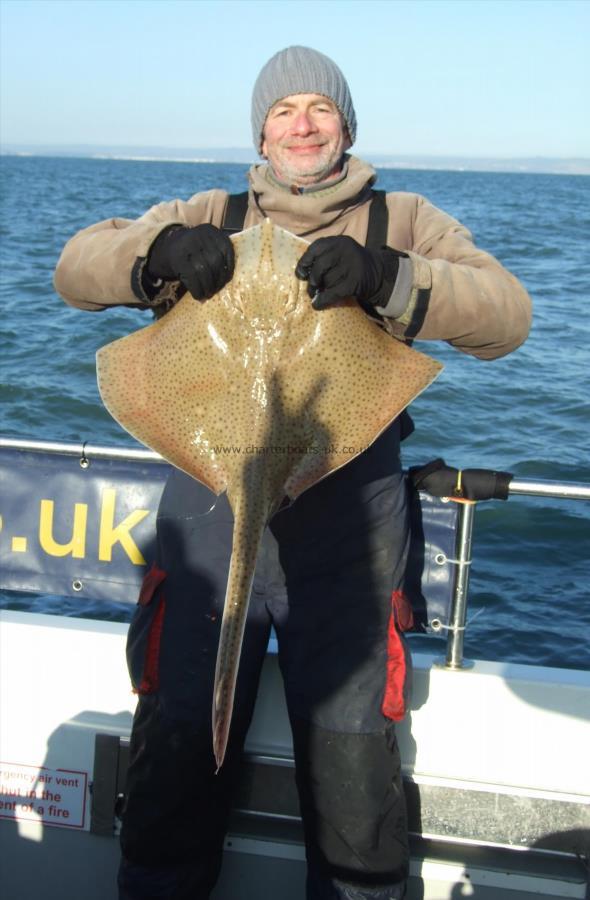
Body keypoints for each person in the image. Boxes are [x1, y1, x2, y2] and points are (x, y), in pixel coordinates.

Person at [54, 46, 531, 900]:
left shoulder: (403, 219)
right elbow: (76, 266)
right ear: (261, 130)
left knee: (351, 749)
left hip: (348, 520)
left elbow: (507, 317)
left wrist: (391, 277)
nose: (301, 125)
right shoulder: (211, 209)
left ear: (346, 126)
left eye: (319, 109)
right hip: (208, 495)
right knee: (176, 729)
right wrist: (159, 251)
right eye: (283, 111)